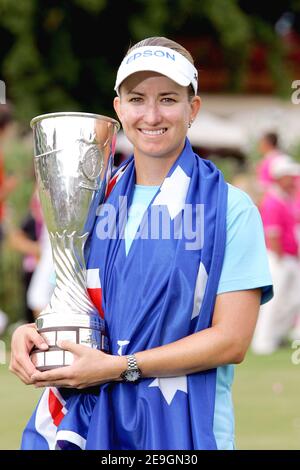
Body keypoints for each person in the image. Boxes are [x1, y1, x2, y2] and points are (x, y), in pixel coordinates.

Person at [10, 36, 273, 451]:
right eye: (137, 99)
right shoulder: (90, 200)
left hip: (186, 432)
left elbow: (232, 340)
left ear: (194, 109)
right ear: (119, 109)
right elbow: (73, 303)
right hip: (92, 422)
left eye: (168, 99)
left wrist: (119, 367)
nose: (151, 115)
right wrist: (35, 336)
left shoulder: (228, 207)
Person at [252, 157, 300, 354]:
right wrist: (280, 257)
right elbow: (272, 233)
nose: (294, 179)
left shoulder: (286, 198)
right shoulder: (273, 201)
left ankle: (276, 334)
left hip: (290, 257)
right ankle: (262, 341)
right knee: (274, 300)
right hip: (278, 257)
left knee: (293, 299)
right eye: (290, 176)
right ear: (280, 177)